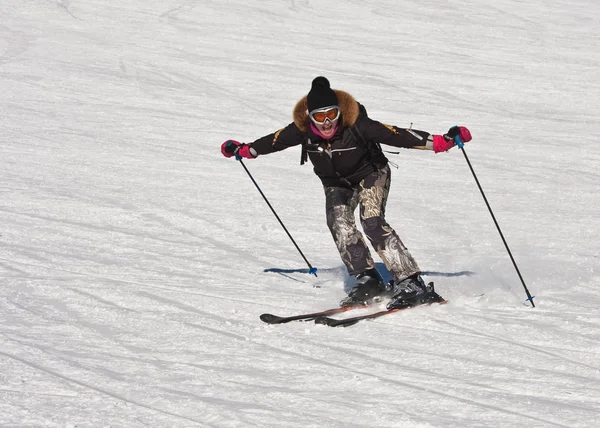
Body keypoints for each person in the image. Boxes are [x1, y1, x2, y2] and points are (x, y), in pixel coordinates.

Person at [221, 76, 472, 309]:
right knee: (338, 223)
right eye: (320, 117)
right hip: (336, 183)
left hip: (371, 174)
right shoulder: (301, 131)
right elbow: (271, 142)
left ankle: (411, 282)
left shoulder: (357, 125)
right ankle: (367, 278)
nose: (327, 122)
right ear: (311, 118)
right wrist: (245, 151)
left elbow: (398, 135)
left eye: (332, 114)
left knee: (372, 222)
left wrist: (443, 142)